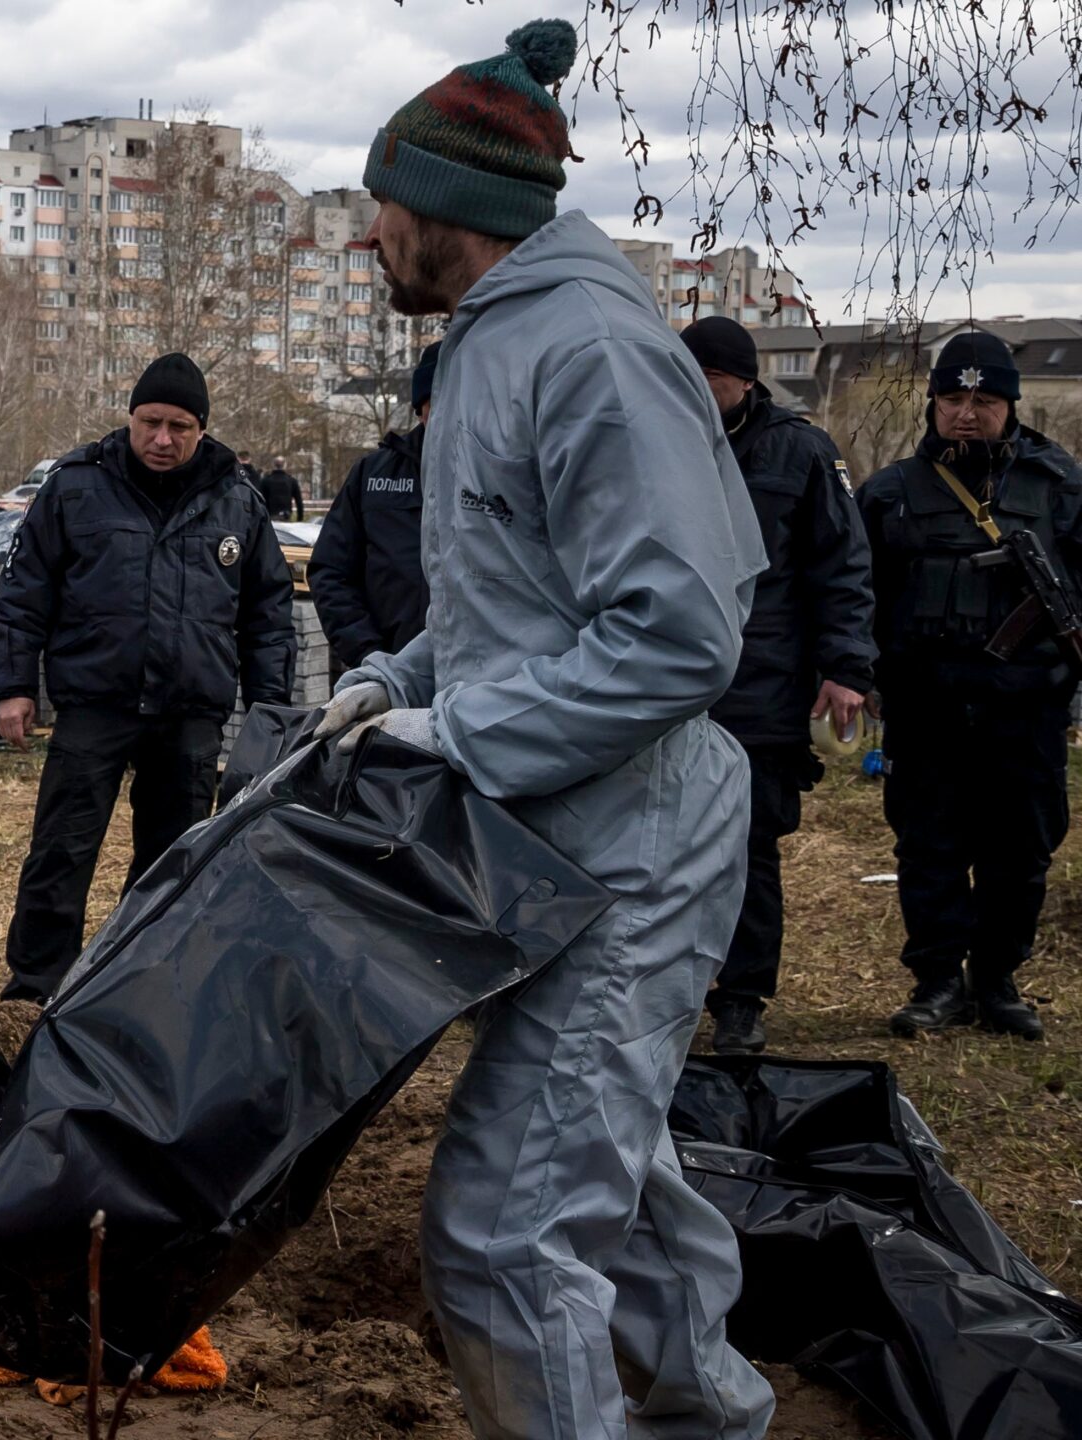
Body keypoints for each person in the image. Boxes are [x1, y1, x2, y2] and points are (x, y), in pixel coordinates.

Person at [318, 20, 776, 1437]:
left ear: (448, 210)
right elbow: (520, 603)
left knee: (506, 1237)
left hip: (633, 853)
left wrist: (458, 740)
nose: (367, 236)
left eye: (378, 205)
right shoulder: (495, 346)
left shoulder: (588, 350)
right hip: (560, 835)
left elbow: (680, 637)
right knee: (611, 1165)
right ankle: (707, 1414)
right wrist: (398, 679)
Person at [0, 353, 294, 1002]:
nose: (162, 439)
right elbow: (25, 591)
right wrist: (14, 685)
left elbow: (268, 613)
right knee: (61, 852)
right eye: (150, 422)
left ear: (202, 430)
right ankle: (34, 987)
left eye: (179, 426)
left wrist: (272, 713)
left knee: (173, 861)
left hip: (189, 714)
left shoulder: (237, 502)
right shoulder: (76, 487)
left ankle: (143, 986)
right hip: (95, 703)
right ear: (130, 418)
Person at [857, 329, 1082, 1043]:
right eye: (953, 398)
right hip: (927, 708)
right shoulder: (890, 493)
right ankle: (936, 983)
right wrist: (857, 677)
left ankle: (998, 981)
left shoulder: (1059, 487)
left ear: (1010, 405)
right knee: (929, 849)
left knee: (1021, 850)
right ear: (932, 403)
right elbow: (855, 593)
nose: (966, 412)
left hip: (1028, 706)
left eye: (984, 400)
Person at [677, 316, 877, 1054]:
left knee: (746, 845)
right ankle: (666, 982)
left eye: (712, 383)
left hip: (761, 686)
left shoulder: (800, 452)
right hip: (664, 686)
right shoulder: (653, 443)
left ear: (745, 384)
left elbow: (842, 567)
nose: (696, 395)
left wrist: (847, 669)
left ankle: (742, 1000)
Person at [309, 344, 437, 673]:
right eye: (437, 402)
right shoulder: (373, 475)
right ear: (420, 407)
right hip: (382, 674)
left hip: (475, 685)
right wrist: (369, 657)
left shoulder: (501, 474)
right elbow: (330, 572)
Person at [257, 454, 304, 520]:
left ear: (273, 465)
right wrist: (300, 518)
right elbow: (299, 501)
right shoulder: (291, 481)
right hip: (286, 515)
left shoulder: (265, 481)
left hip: (270, 515)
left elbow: (260, 500)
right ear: (285, 465)